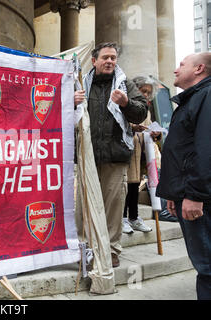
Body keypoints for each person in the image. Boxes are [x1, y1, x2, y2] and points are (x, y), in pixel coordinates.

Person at [74, 42, 148, 267]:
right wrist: (70, 102)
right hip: (87, 155)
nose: (110, 61)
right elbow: (62, 114)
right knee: (84, 206)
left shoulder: (125, 84)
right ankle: (84, 247)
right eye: (105, 57)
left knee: (113, 206)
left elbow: (141, 112)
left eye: (113, 58)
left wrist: (125, 103)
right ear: (94, 61)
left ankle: (112, 249)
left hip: (115, 156)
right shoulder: (80, 84)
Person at [156, 52, 211, 300]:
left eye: (182, 64)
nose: (176, 69)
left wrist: (194, 195)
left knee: (208, 267)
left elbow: (205, 149)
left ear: (199, 69)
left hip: (199, 198)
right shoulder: (192, 99)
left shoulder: (206, 97)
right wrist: (173, 193)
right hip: (186, 193)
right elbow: (184, 151)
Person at [122, 76, 161, 234]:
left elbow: (149, 126)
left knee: (134, 186)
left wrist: (155, 134)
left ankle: (134, 217)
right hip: (126, 151)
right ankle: (122, 218)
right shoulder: (125, 104)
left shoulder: (146, 109)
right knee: (125, 186)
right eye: (142, 91)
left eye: (148, 92)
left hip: (140, 153)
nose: (145, 94)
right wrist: (133, 128)